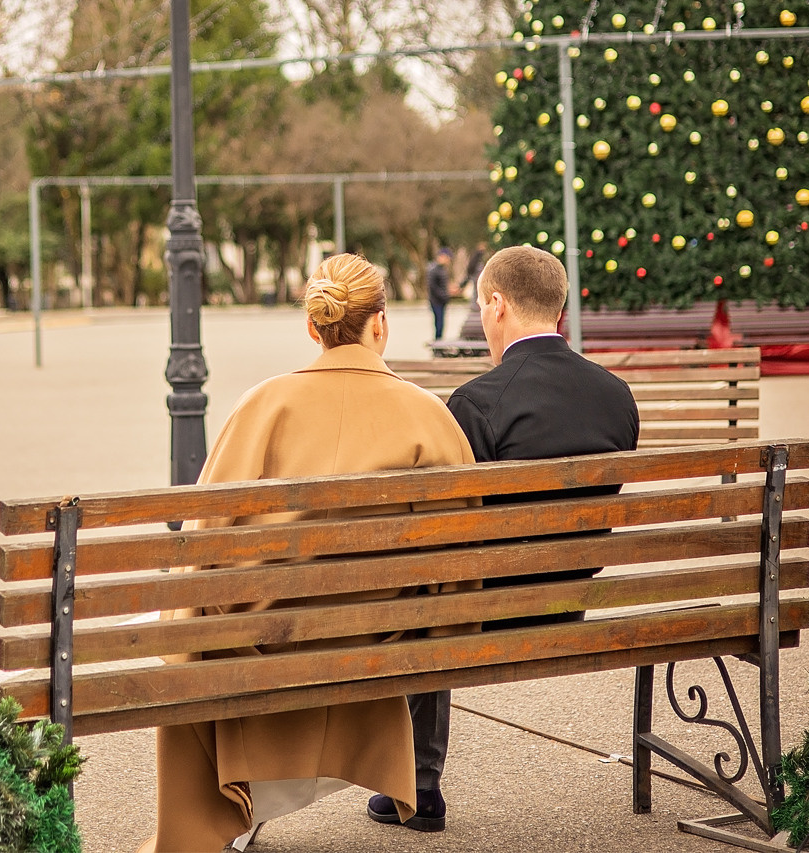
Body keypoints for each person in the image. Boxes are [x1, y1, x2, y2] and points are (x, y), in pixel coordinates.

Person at [145, 253, 476, 852]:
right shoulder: (430, 416)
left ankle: (217, 810)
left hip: (269, 639)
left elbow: (204, 543)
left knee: (187, 628)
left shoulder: (261, 406)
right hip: (383, 639)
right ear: (380, 324)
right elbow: (458, 573)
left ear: (312, 327)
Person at [368, 244, 639, 834]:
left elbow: (451, 531)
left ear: (497, 305)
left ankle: (418, 786)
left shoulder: (477, 402)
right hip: (573, 598)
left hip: (490, 611)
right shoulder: (616, 395)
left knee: (424, 591)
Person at [425, 247, 455, 341]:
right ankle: (437, 342)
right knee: (438, 323)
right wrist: (444, 295)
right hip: (436, 301)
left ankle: (440, 340)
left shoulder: (442, 270)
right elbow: (433, 287)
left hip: (442, 301)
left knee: (441, 323)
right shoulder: (433, 270)